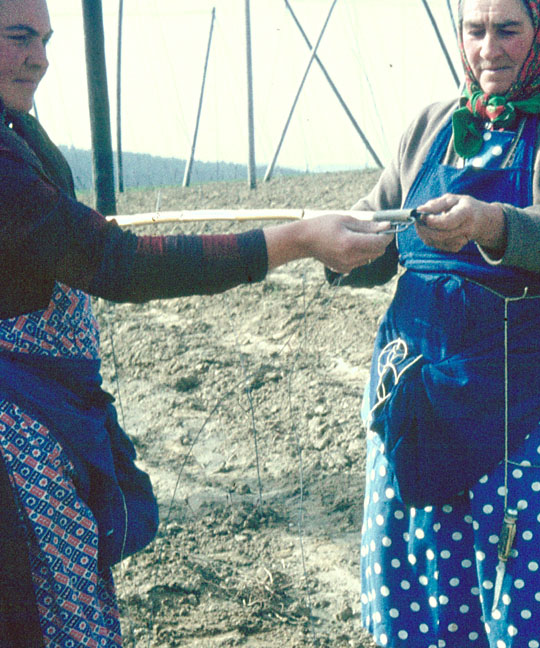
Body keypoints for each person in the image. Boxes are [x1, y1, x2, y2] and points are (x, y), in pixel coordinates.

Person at [0, 0, 392, 644]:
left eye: (44, 39)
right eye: (19, 38)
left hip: (41, 405)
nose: (39, 58)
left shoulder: (17, 134)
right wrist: (293, 240)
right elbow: (114, 263)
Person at [332, 0, 540, 645]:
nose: (489, 49)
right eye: (475, 30)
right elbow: (378, 224)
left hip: (533, 397)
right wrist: (344, 243)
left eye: (509, 30)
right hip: (422, 387)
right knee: (432, 582)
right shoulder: (430, 127)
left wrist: (489, 224)